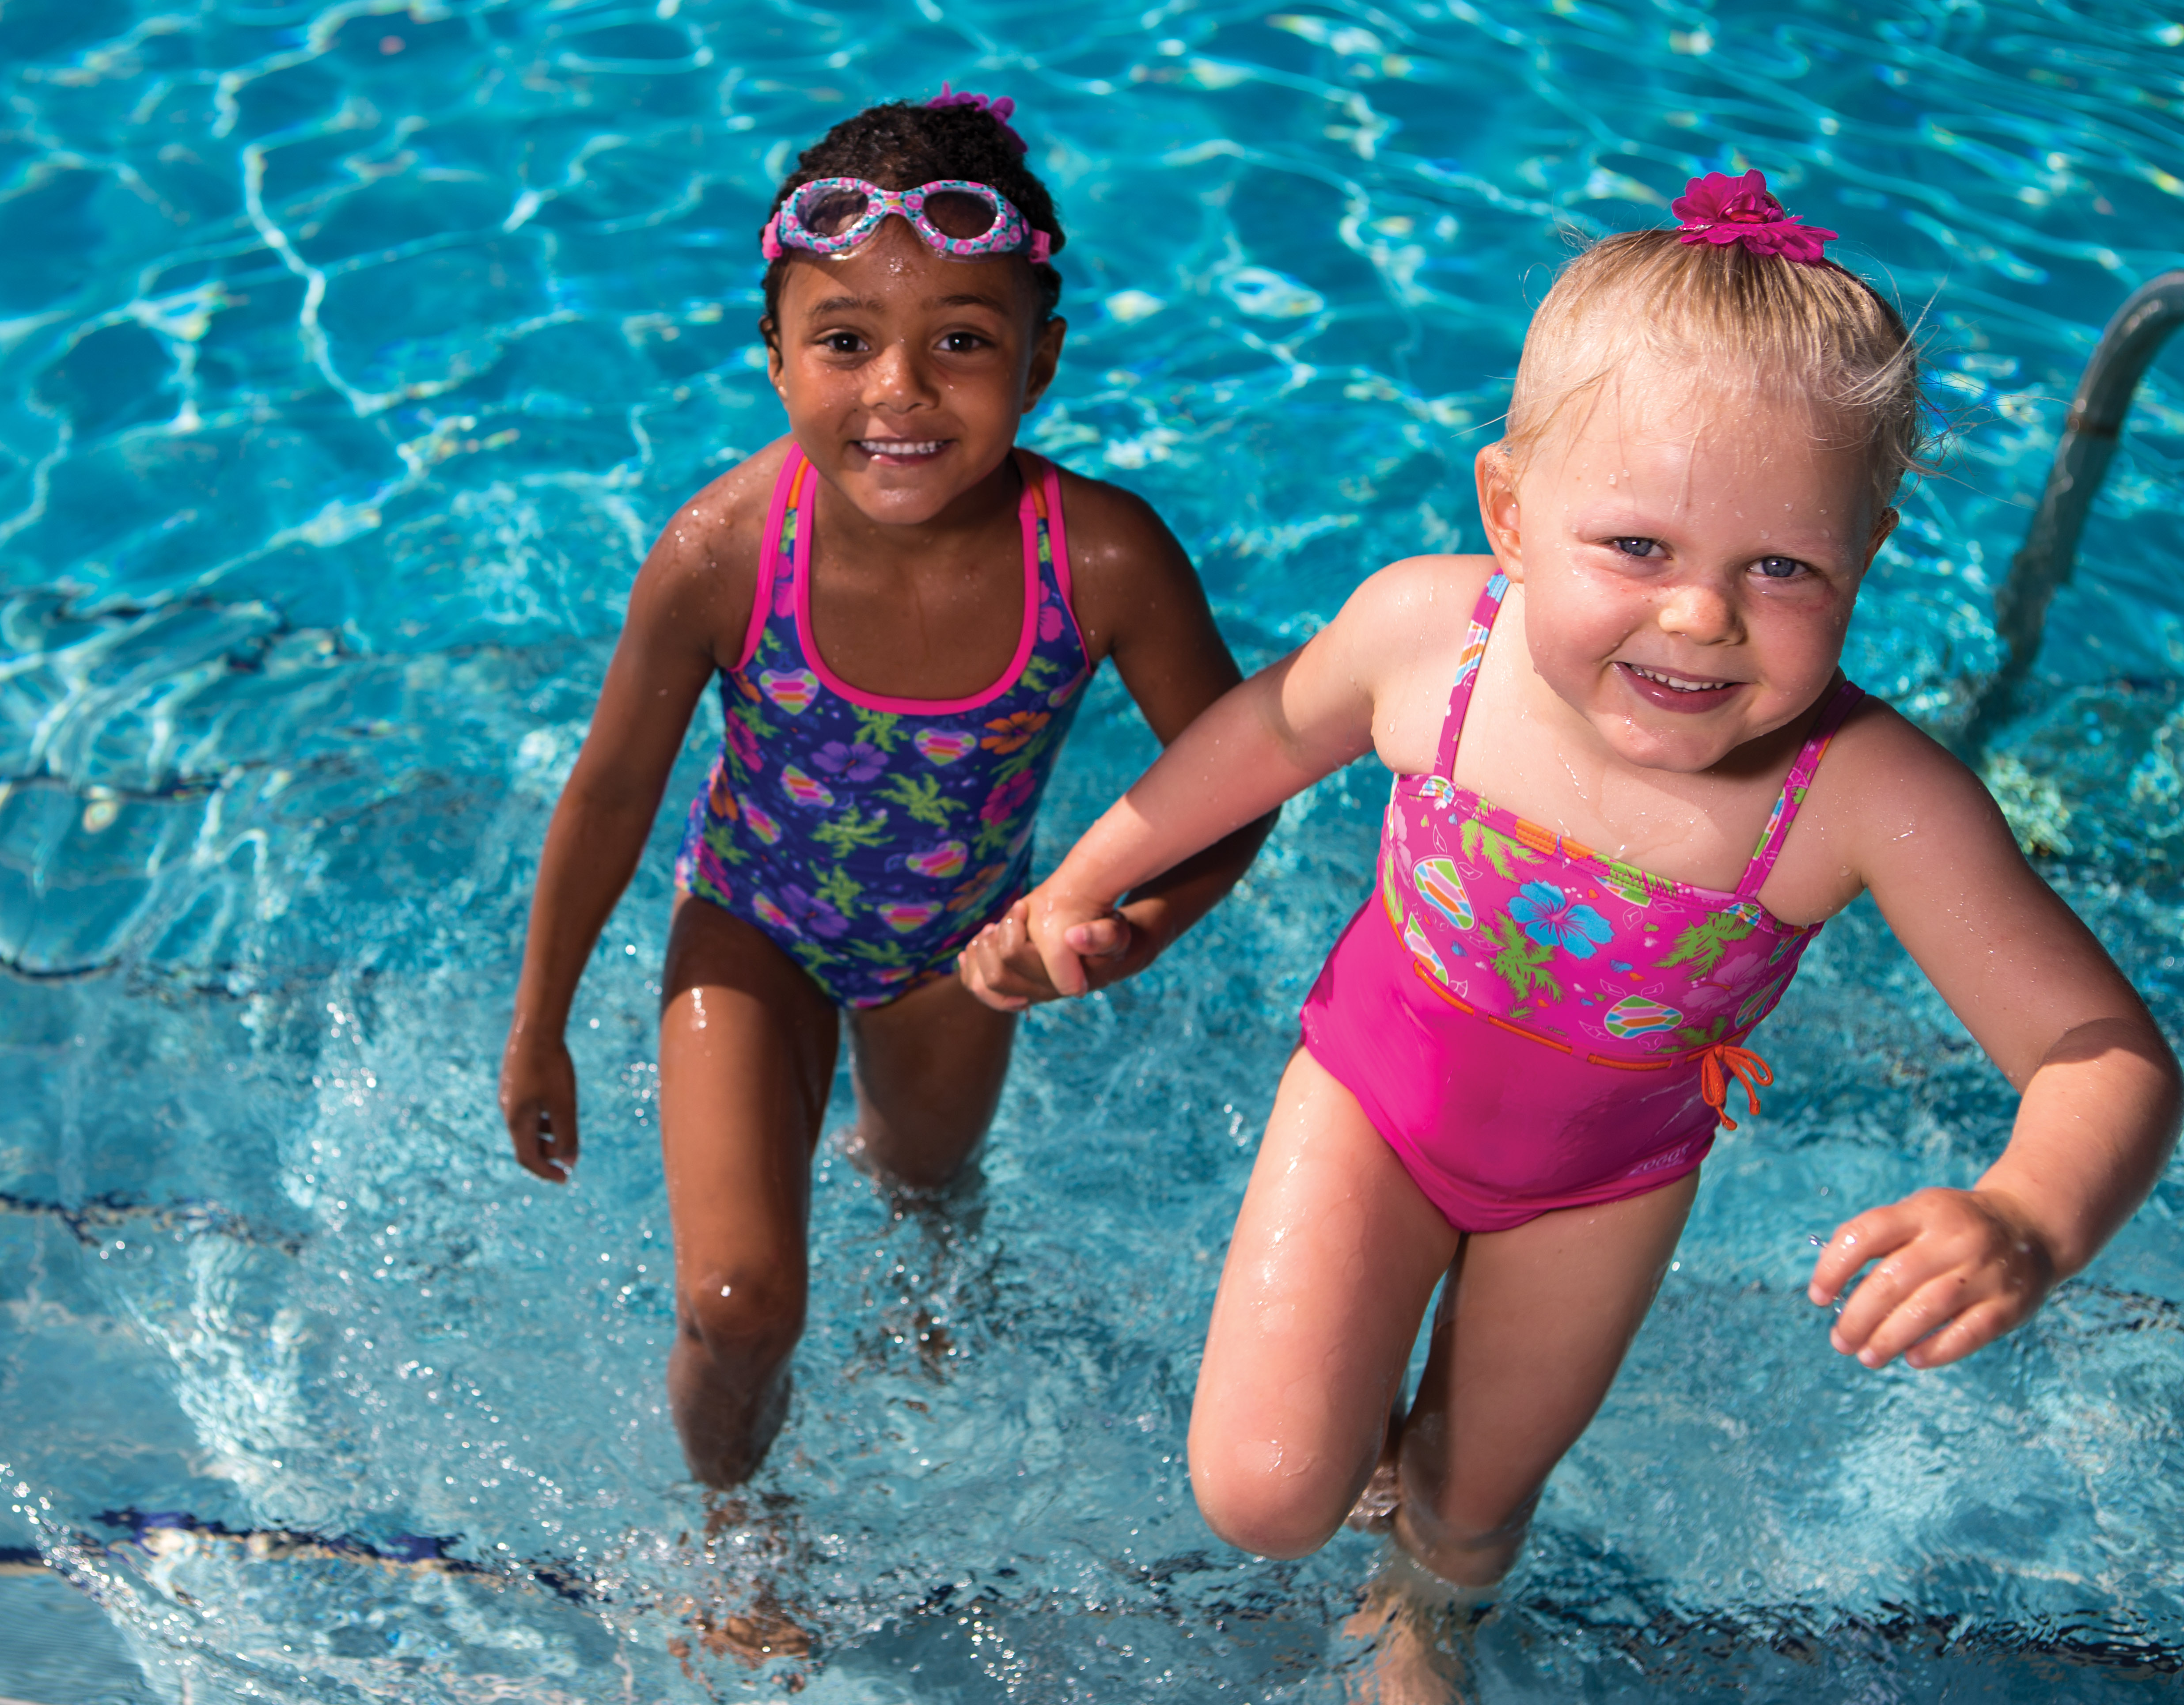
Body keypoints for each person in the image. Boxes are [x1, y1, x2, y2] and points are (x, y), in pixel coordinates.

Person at [990, 169, 2181, 1687]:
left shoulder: (1866, 798)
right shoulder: (1430, 642)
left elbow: (2102, 1049)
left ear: (1867, 554)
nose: (1701, 618)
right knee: (1266, 1490)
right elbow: (1259, 739)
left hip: (1599, 1189)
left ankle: (1424, 1626)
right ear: (1510, 512)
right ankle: (1371, 1465)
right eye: (1637, 548)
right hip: (1371, 1101)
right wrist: (1080, 883)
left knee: (1472, 1508)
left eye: (1782, 568)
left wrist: (2026, 1215)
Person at [499, 90, 1271, 1491]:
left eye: (960, 342)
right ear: (776, 359)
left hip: (957, 961)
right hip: (752, 931)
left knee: (931, 1207)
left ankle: (925, 1313)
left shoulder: (1101, 562)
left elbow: (1240, 779)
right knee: (738, 1304)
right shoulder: (724, 554)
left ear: (1040, 361)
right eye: (846, 341)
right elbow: (612, 794)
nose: (900, 391)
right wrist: (539, 1022)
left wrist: (1126, 929)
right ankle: (740, 1530)